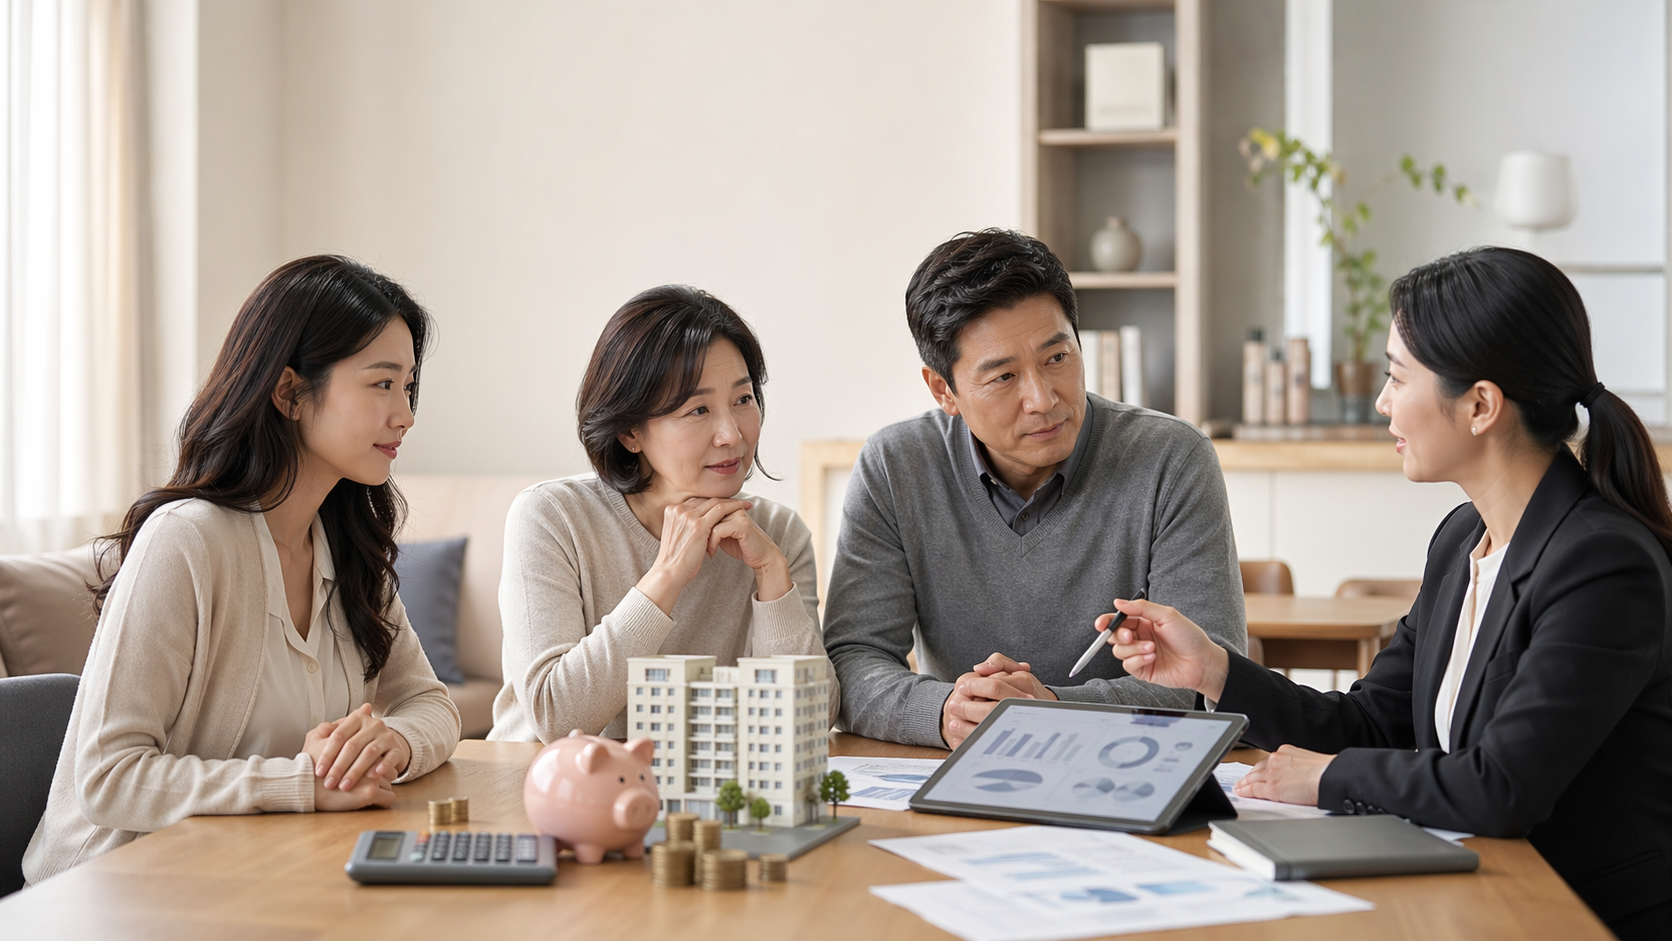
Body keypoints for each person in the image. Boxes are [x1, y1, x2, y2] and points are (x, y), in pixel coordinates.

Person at [1103, 247, 1672, 940]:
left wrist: (1329, 777)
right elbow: (1375, 722)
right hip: (1469, 892)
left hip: (1572, 914)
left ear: (1481, 405)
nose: (1382, 402)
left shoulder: (1603, 564)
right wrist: (1213, 670)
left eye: (1397, 378)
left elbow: (1501, 787)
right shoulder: (1464, 537)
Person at [23, 256, 462, 883]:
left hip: (256, 874)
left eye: (409, 387)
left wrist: (395, 742)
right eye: (382, 384)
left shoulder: (347, 545)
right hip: (114, 891)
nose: (406, 415)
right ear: (289, 392)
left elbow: (428, 703)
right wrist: (300, 782)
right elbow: (108, 778)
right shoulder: (187, 542)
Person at [823, 228, 1245, 749]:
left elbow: (1211, 682)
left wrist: (1051, 712)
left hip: (1128, 764)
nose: (1042, 399)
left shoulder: (1171, 460)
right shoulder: (896, 467)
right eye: (1003, 377)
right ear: (943, 390)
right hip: (964, 773)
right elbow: (852, 660)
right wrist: (947, 713)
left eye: (1057, 358)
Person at [489, 285, 835, 743]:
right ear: (631, 431)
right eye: (697, 409)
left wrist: (772, 577)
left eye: (743, 399)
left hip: (700, 803)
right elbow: (555, 718)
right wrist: (667, 574)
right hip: (543, 797)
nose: (731, 434)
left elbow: (805, 727)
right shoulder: (552, 517)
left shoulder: (777, 535)